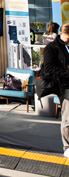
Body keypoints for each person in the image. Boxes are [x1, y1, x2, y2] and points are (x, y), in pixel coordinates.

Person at [43, 23, 69, 157]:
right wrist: (67, 73)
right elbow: (49, 67)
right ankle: (67, 147)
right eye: (68, 37)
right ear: (61, 34)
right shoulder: (52, 47)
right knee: (67, 118)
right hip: (65, 85)